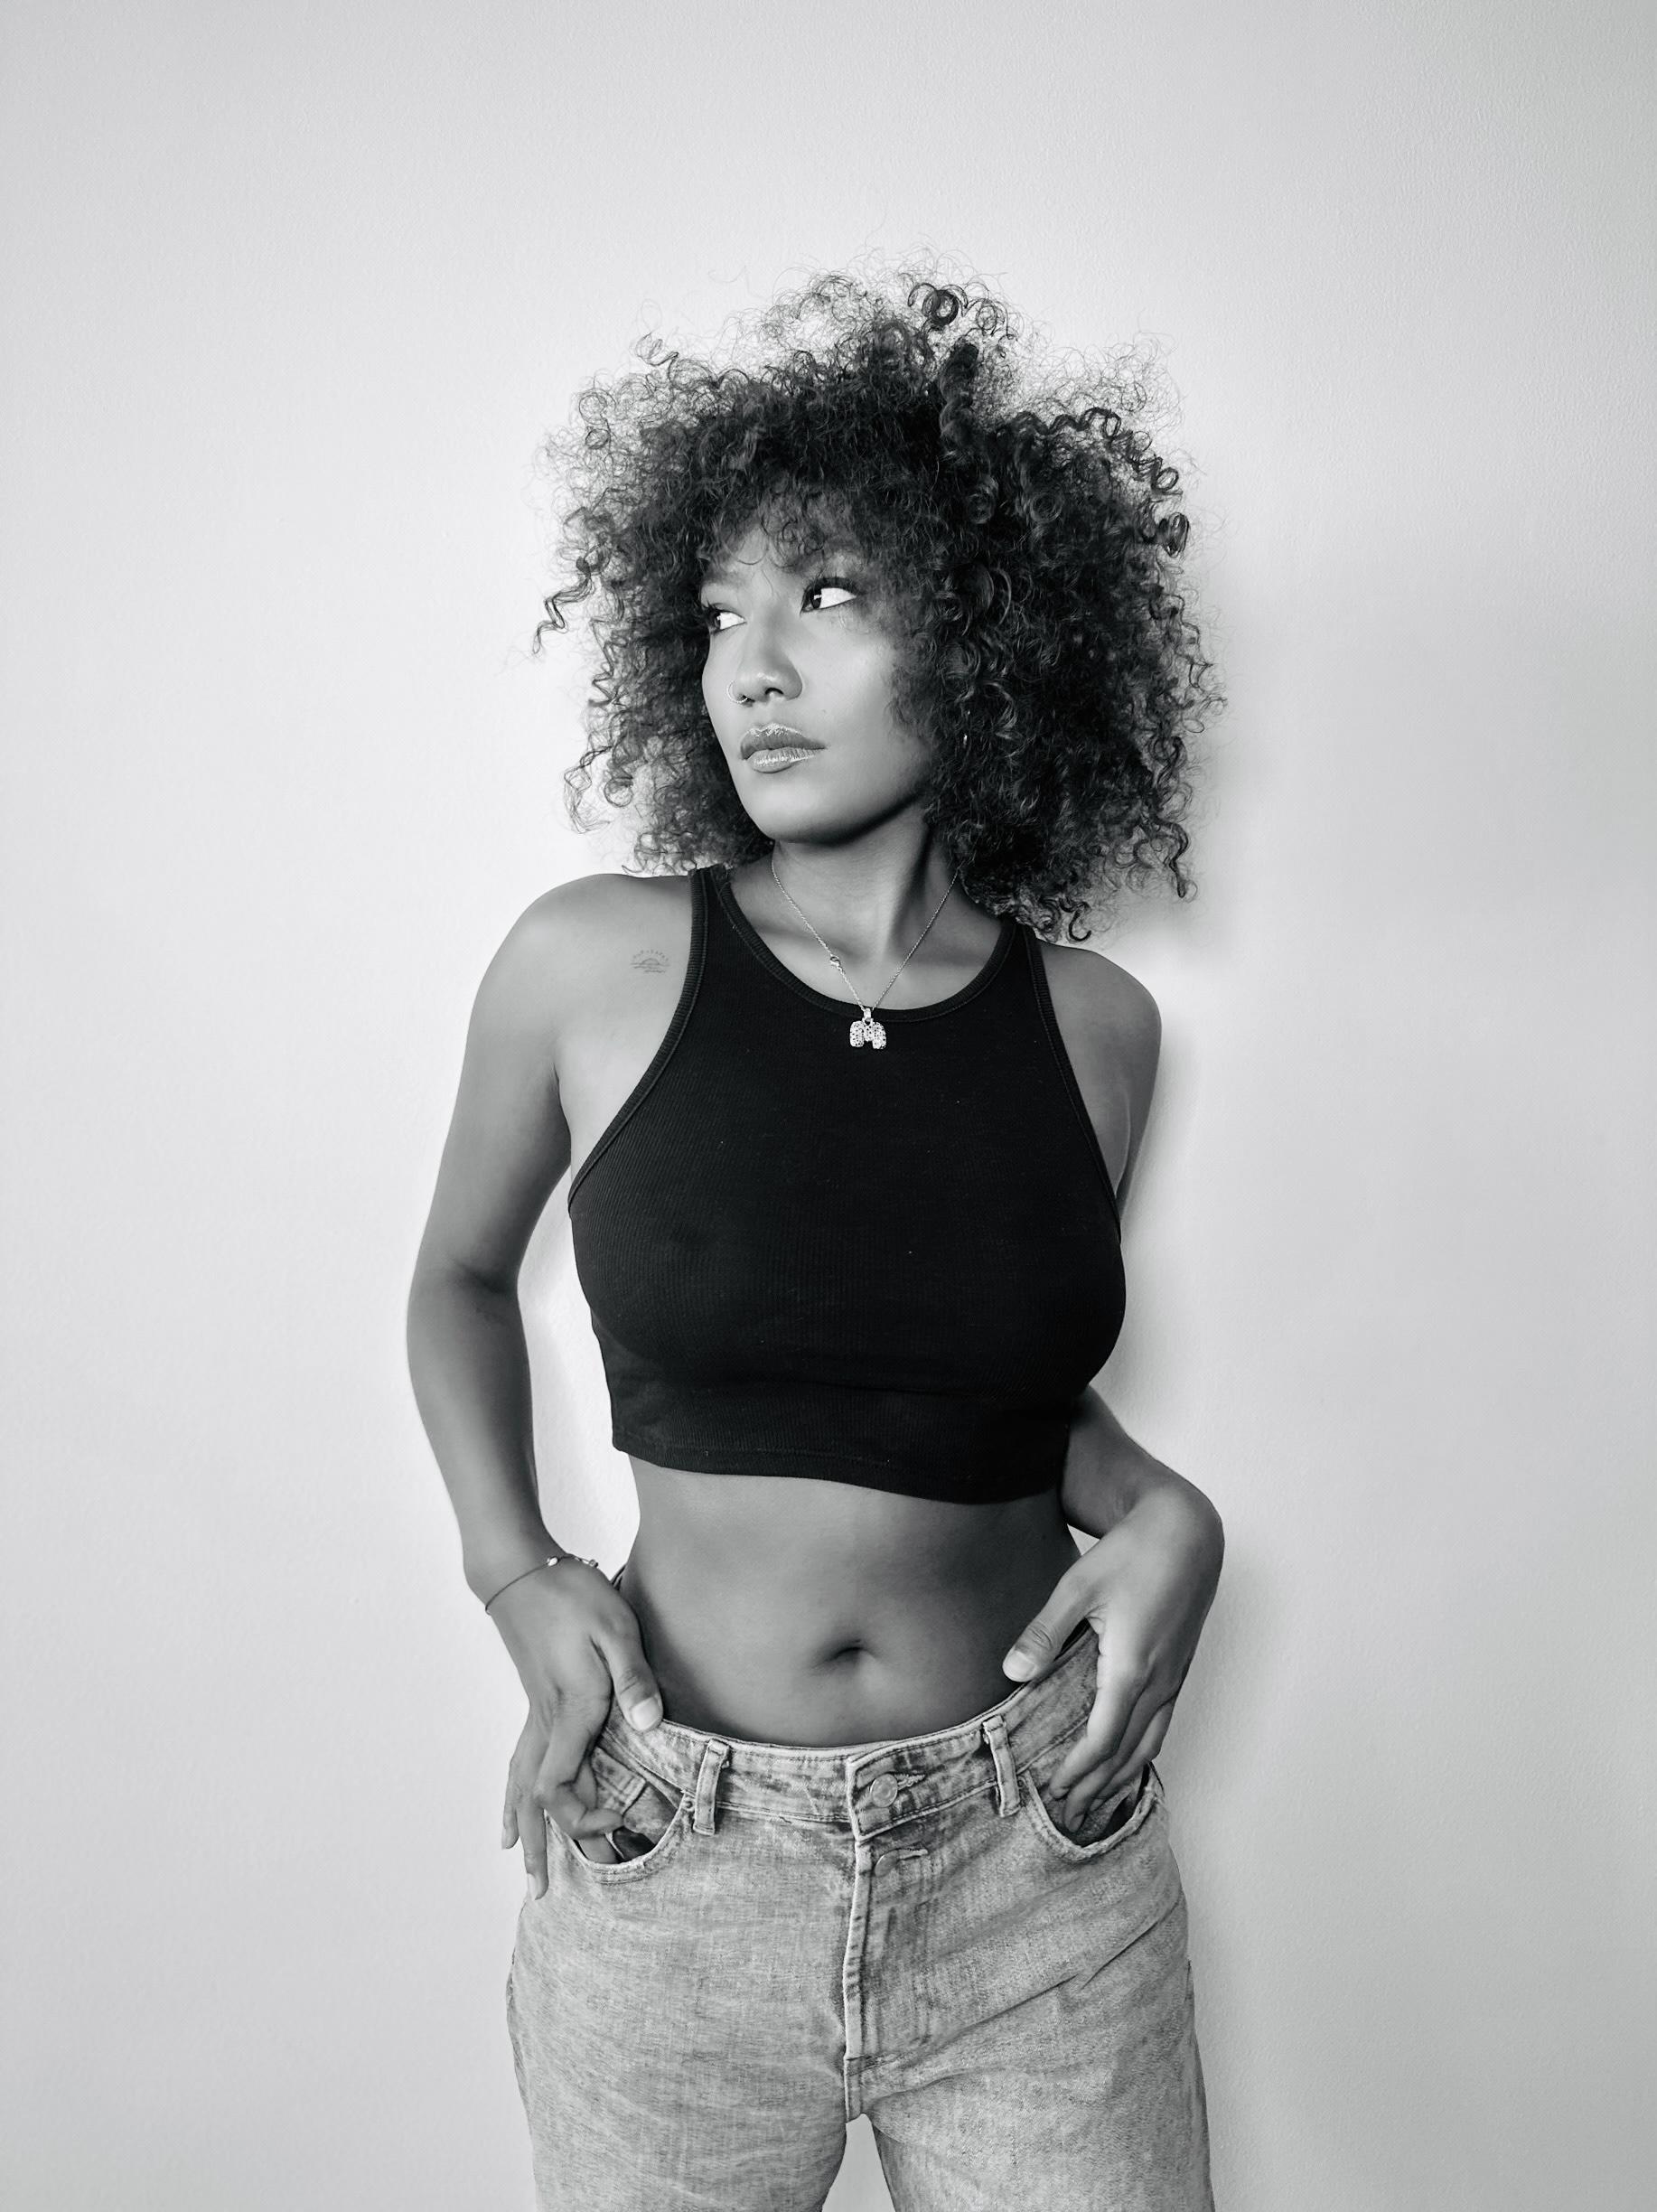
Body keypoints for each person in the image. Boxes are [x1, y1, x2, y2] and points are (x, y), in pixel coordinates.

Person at [406, 264, 1225, 2211]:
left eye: (828, 597)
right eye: (717, 617)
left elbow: (966, 1381)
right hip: (678, 1859)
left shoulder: (1098, 1028)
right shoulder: (593, 963)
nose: (751, 670)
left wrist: (1168, 1514)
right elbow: (455, 1279)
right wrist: (512, 1571)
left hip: (1040, 1866)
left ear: (992, 633)